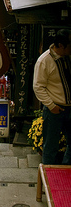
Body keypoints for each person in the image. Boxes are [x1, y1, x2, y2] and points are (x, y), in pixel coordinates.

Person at [33, 28, 71, 165]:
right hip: (55, 109)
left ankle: (66, 175)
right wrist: (51, 105)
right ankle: (49, 180)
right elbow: (38, 86)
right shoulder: (45, 60)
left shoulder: (67, 58)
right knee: (50, 147)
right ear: (61, 45)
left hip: (69, 108)